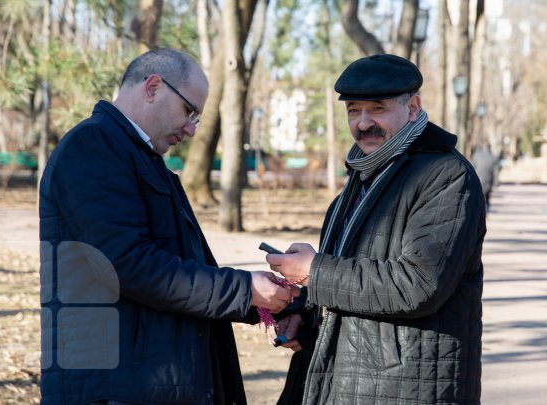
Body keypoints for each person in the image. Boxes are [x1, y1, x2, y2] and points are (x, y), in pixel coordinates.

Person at [39, 48, 297, 404]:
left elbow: (180, 269)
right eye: (189, 111)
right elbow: (128, 265)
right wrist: (243, 289)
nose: (191, 129)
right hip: (115, 388)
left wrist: (265, 305)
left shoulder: (142, 158)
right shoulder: (93, 147)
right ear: (153, 87)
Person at [267, 54, 487, 404]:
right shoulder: (364, 173)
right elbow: (356, 273)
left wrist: (314, 271)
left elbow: (419, 284)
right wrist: (303, 315)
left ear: (413, 107)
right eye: (354, 110)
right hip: (353, 378)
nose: (363, 123)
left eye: (377, 109)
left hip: (405, 385)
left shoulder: (448, 176)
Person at [471, 143, 499, 211]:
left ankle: (480, 208)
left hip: (478, 177)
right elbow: (495, 171)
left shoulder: (476, 155)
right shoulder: (492, 157)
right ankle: (487, 207)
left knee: (479, 194)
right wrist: (495, 182)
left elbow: (472, 167)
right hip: (488, 179)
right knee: (487, 194)